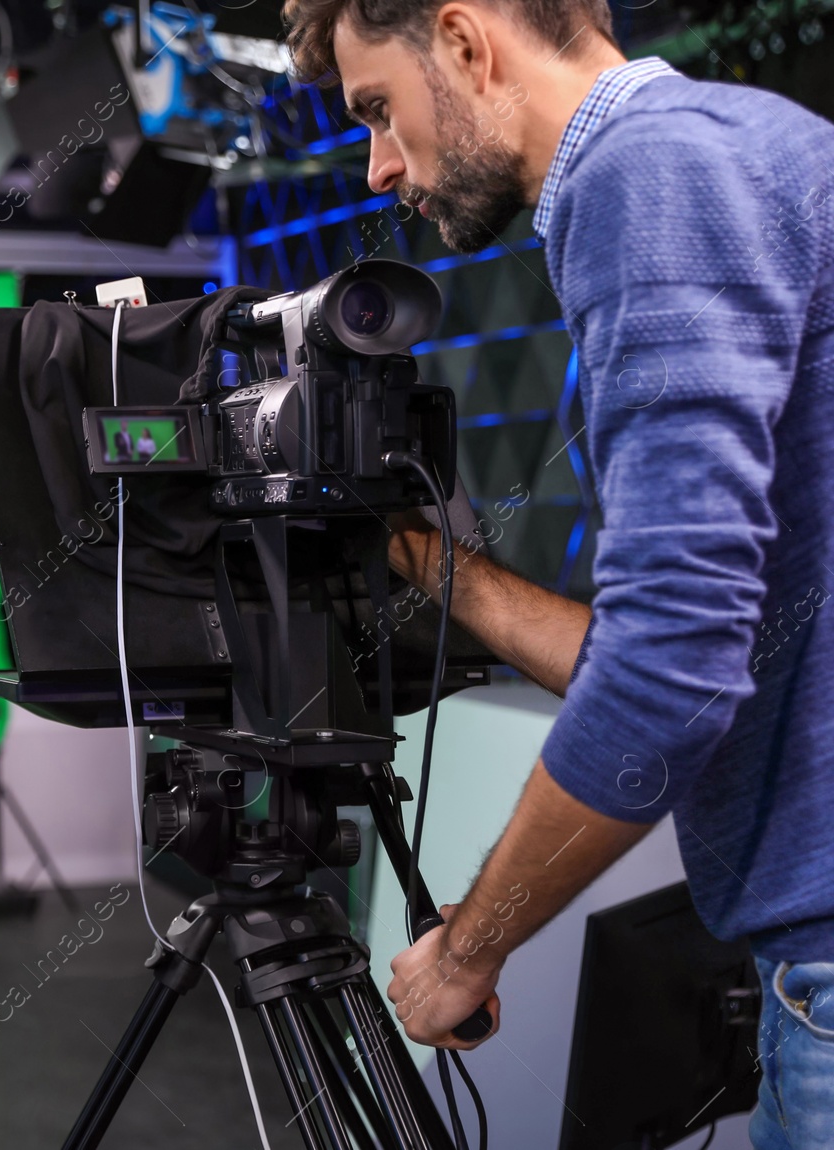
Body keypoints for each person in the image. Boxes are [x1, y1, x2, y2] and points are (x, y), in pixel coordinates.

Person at [285, 2, 834, 1146]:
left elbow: (670, 671)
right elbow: (704, 648)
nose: (381, 167)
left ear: (467, 39)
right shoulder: (751, 137)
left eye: (378, 110)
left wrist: (468, 949)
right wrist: (427, 563)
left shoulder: (644, 178)